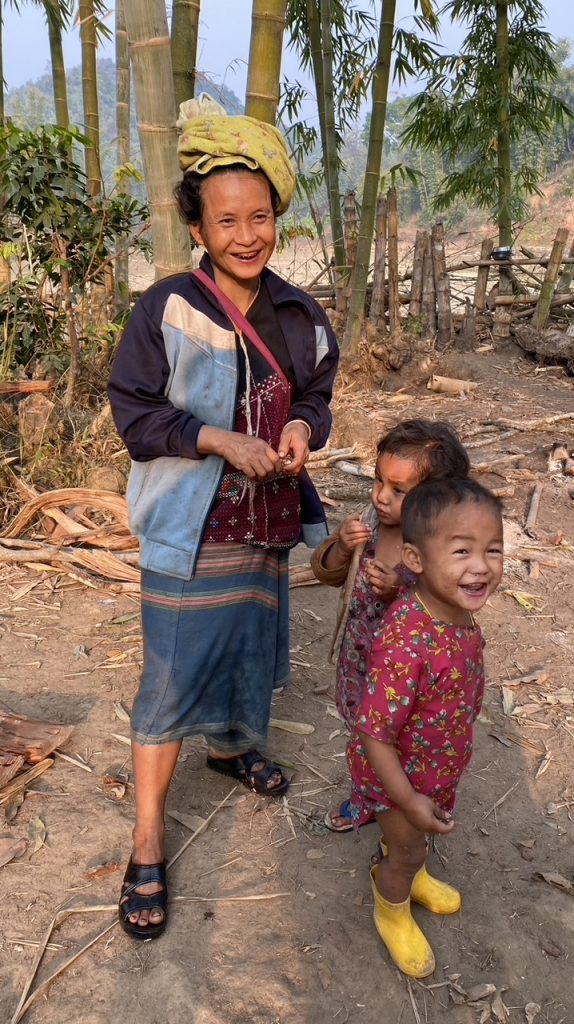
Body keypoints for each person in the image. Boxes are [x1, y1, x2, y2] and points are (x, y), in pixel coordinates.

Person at [108, 97, 339, 940]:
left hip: (266, 526)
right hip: (189, 529)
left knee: (249, 645)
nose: (248, 234)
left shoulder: (302, 315)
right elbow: (135, 416)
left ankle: (232, 746)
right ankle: (146, 838)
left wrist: (302, 429)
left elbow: (317, 395)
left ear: (277, 214)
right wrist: (216, 440)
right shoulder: (165, 310)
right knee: (168, 678)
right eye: (227, 220)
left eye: (262, 216)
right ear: (197, 228)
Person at [348, 477, 504, 977]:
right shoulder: (406, 641)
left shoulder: (456, 612)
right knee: (409, 843)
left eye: (492, 549)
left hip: (435, 763)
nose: (480, 565)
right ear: (415, 560)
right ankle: (391, 897)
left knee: (416, 840)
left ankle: (411, 869)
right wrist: (409, 800)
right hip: (397, 780)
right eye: (461, 551)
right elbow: (374, 732)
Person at [310, 420, 470, 833]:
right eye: (379, 480)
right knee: (365, 737)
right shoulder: (368, 525)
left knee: (405, 744)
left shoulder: (440, 548)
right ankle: (365, 797)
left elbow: (455, 605)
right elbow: (326, 573)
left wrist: (405, 587)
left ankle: (404, 806)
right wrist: (342, 547)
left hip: (409, 679)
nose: (381, 496)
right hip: (362, 662)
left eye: (399, 491)